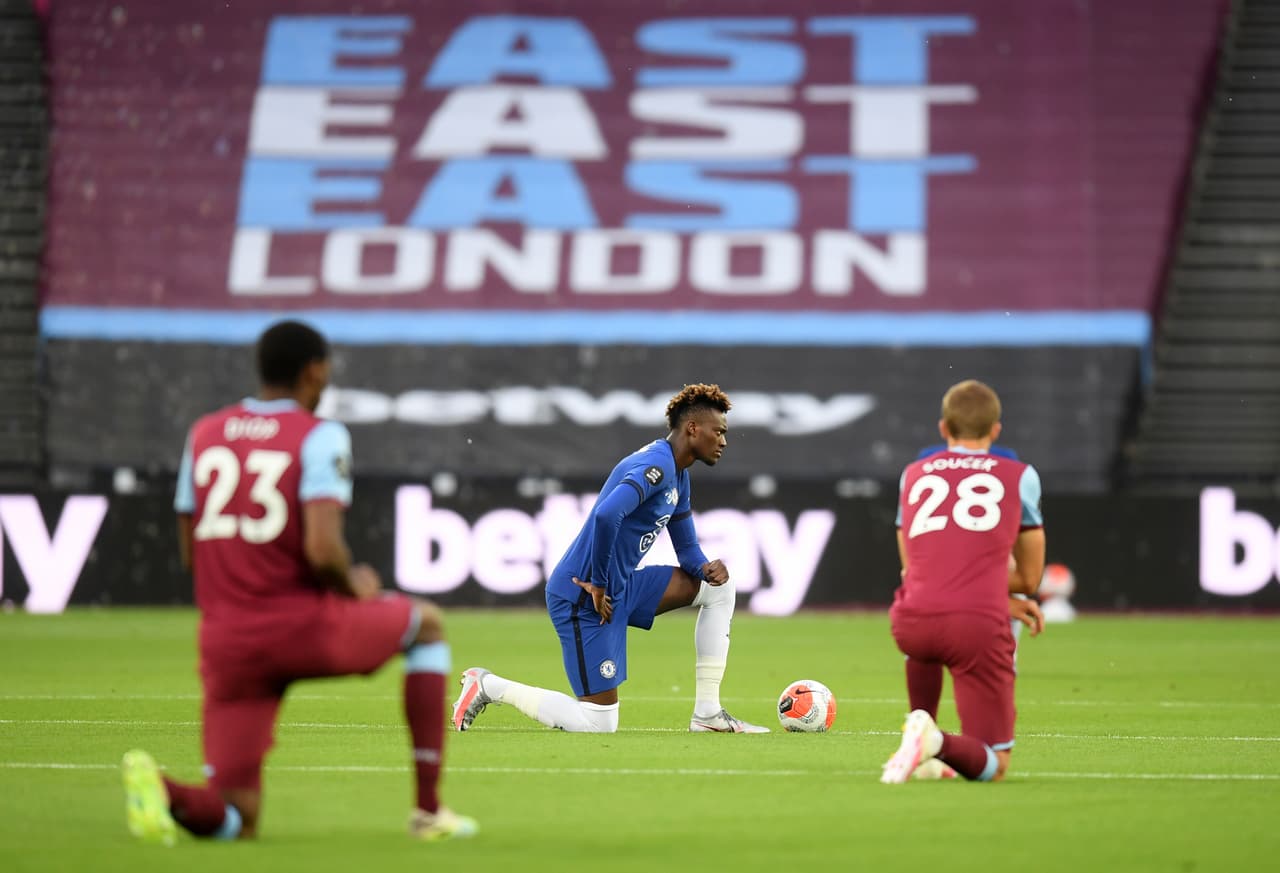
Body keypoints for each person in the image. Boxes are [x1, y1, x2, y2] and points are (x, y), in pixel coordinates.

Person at [121, 320, 477, 844]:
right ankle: (428, 812)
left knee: (236, 818)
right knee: (425, 625)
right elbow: (323, 549)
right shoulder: (319, 434)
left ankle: (162, 789)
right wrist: (355, 585)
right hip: (299, 626)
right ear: (315, 371)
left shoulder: (205, 433)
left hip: (227, 642)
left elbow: (190, 550)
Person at [451, 383, 768, 734]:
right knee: (599, 724)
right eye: (719, 432)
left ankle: (708, 714)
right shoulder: (657, 465)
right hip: (584, 596)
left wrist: (705, 568)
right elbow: (607, 516)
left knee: (719, 590)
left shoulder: (679, 475)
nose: (724, 441)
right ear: (693, 429)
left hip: (620, 588)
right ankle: (488, 685)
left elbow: (687, 549)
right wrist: (600, 584)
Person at [881, 380, 1045, 783]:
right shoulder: (1020, 476)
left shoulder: (913, 474)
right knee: (995, 762)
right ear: (995, 430)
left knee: (924, 635)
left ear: (943, 428)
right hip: (975, 625)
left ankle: (919, 728)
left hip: (911, 621)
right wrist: (997, 598)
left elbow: (915, 570)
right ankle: (933, 741)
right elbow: (1029, 576)